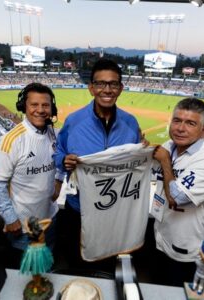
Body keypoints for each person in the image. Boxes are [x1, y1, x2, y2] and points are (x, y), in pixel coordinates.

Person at [53, 59, 142, 270]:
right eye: (101, 84)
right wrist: (63, 160)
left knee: (108, 264)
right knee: (79, 262)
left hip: (115, 211)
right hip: (79, 211)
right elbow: (58, 152)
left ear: (120, 88)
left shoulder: (131, 123)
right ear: (91, 88)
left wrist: (144, 151)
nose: (107, 89)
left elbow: (137, 163)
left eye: (113, 84)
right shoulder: (74, 121)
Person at [151, 97, 204, 287]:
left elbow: (176, 198)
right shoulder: (170, 146)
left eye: (190, 123)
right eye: (177, 120)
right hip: (161, 238)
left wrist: (165, 162)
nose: (180, 128)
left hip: (186, 250)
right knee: (156, 289)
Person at [0, 82, 60, 267]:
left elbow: (60, 161)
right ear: (24, 107)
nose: (40, 110)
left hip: (49, 218)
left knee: (46, 264)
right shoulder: (11, 140)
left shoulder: (53, 134)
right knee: (27, 273)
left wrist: (58, 183)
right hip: (23, 225)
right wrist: (10, 218)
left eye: (45, 105)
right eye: (34, 105)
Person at [20, 217, 54, 298]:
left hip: (31, 251)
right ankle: (38, 285)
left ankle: (37, 283)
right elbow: (49, 220)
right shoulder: (40, 230)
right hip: (38, 252)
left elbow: (25, 220)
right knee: (36, 270)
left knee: (34, 270)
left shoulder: (29, 231)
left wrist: (30, 224)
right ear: (35, 224)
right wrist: (38, 222)